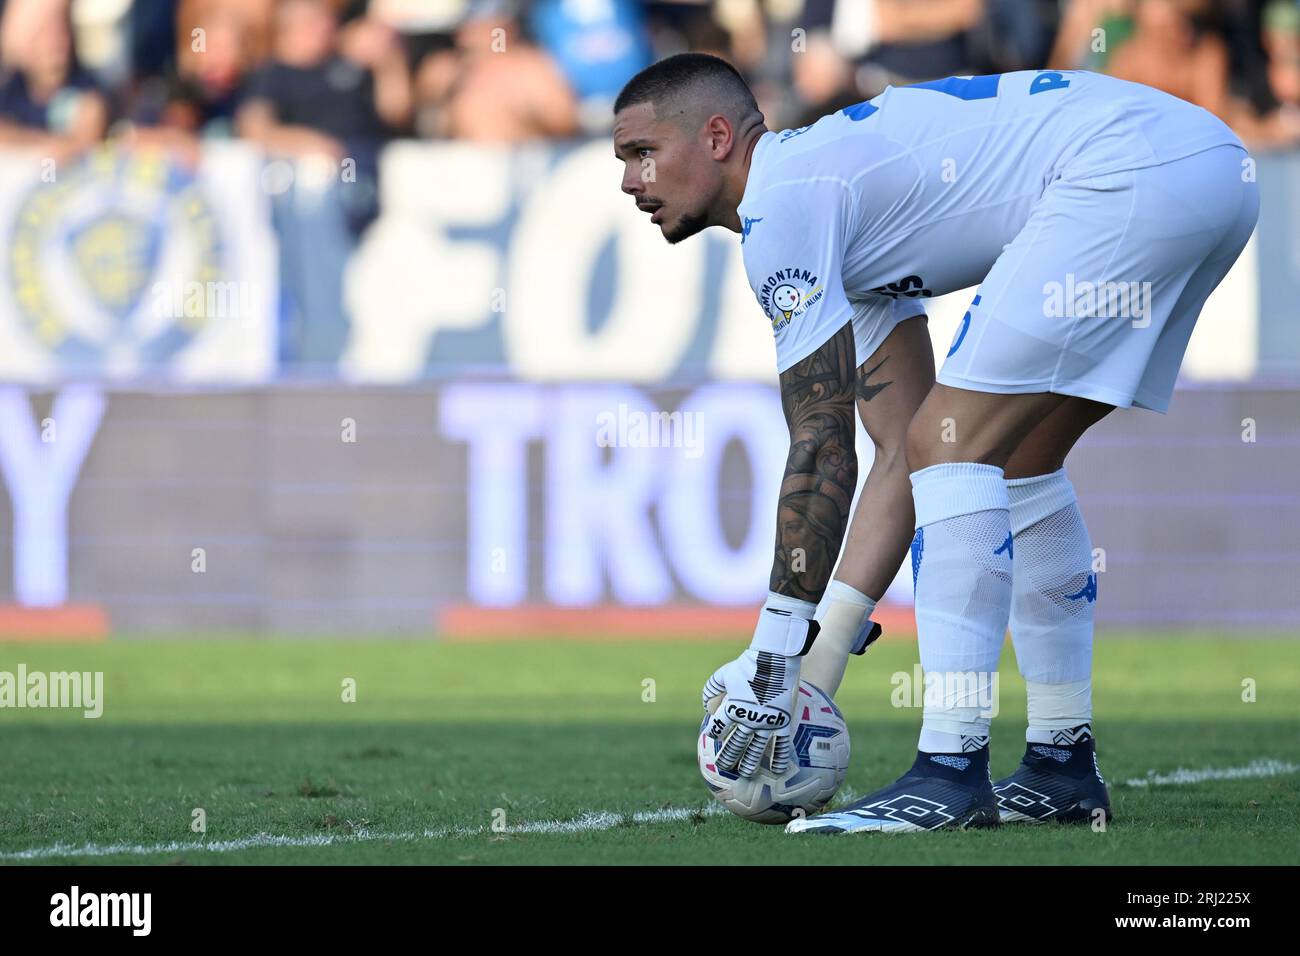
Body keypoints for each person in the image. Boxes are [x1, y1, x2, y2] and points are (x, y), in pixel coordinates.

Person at [612, 54, 1258, 833]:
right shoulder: (828, 200)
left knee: (953, 445)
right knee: (1008, 460)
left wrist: (773, 656)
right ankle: (1060, 764)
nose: (629, 182)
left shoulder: (782, 205)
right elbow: (895, 457)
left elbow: (822, 446)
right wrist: (816, 672)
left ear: (717, 136)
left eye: (641, 153)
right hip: (1204, 168)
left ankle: (949, 772)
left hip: (1128, 170)